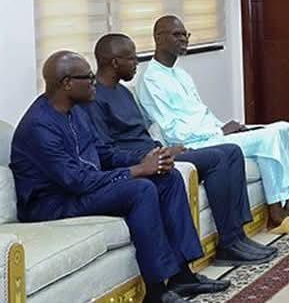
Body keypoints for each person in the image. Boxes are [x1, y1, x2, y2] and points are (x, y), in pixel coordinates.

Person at [10, 51, 230, 303]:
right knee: (140, 189)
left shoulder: (77, 111)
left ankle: (183, 276)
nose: (94, 82)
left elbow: (104, 153)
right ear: (67, 83)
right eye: (88, 78)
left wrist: (149, 158)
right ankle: (156, 292)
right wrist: (137, 170)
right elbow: (76, 180)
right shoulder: (38, 126)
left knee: (167, 178)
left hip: (82, 188)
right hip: (52, 203)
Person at [84, 33, 276, 265]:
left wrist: (162, 148)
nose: (137, 63)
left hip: (158, 153)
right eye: (132, 58)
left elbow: (140, 136)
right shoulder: (94, 99)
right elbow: (106, 151)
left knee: (231, 151)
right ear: (115, 62)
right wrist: (149, 156)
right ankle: (228, 244)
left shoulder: (123, 92)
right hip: (144, 162)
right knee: (217, 159)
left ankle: (236, 237)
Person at [136, 15, 289, 234]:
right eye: (177, 35)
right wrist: (219, 131)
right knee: (268, 138)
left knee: (284, 128)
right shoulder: (150, 80)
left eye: (186, 35)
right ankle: (276, 217)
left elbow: (201, 113)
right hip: (195, 144)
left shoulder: (181, 74)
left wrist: (226, 127)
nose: (184, 39)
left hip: (213, 134)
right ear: (158, 38)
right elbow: (174, 131)